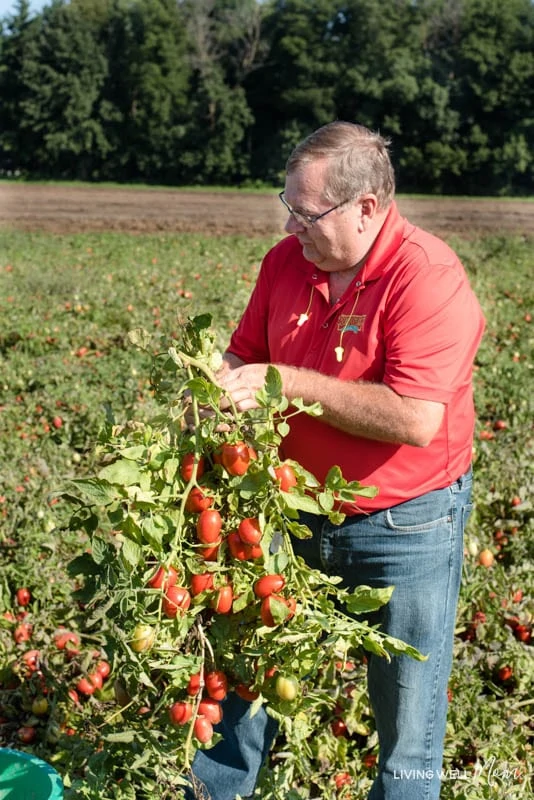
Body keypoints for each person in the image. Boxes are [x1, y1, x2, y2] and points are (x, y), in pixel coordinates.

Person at [186, 120, 485, 800]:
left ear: (367, 209)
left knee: (408, 717)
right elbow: (242, 351)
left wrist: (287, 381)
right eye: (286, 206)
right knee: (237, 668)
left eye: (306, 211)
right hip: (286, 512)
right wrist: (210, 386)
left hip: (402, 525)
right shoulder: (283, 263)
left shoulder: (426, 277)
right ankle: (216, 790)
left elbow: (415, 418)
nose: (292, 224)